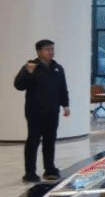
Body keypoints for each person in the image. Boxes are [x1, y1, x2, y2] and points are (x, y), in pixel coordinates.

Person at [13, 39, 70, 182]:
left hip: (52, 111)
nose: (51, 52)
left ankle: (50, 169)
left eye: (52, 49)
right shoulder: (30, 67)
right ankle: (30, 172)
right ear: (39, 52)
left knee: (50, 140)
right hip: (35, 111)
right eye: (47, 49)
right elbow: (19, 85)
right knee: (33, 141)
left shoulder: (58, 68)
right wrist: (28, 73)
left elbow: (63, 88)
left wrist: (65, 105)